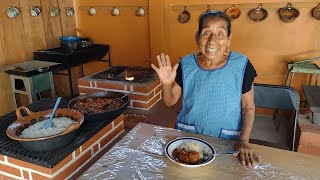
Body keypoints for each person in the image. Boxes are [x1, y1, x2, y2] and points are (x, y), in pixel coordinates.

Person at [151, 10, 262, 168]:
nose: (212, 41)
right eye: (206, 33)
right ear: (197, 37)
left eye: (220, 34)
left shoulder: (242, 65)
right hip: (187, 141)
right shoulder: (186, 64)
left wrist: (243, 141)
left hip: (227, 142)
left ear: (229, 39)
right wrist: (166, 84)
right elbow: (170, 102)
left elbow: (248, 107)